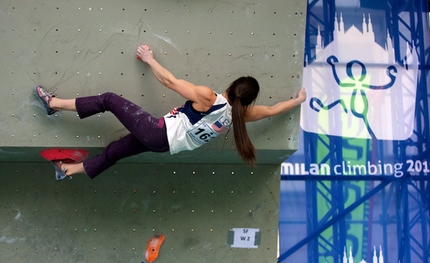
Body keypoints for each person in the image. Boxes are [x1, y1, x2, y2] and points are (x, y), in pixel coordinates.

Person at [34, 44, 306, 180]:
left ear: (232, 85)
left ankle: (53, 104)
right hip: (165, 145)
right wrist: (297, 101)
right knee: (116, 151)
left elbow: (170, 82)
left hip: (158, 133)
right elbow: (271, 110)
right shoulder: (239, 116)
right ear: (246, 102)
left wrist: (150, 58)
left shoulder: (209, 97)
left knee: (108, 99)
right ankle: (67, 171)